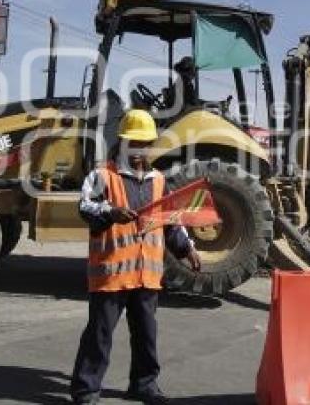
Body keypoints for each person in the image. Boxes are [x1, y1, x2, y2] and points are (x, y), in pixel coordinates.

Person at [71, 109, 202, 405]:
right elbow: (84, 207)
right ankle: (86, 390)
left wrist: (187, 248)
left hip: (147, 276)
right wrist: (110, 212)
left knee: (146, 335)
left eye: (145, 144)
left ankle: (144, 385)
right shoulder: (103, 176)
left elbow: (170, 221)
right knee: (99, 335)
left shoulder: (158, 180)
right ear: (123, 142)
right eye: (135, 143)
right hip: (112, 275)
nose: (141, 150)